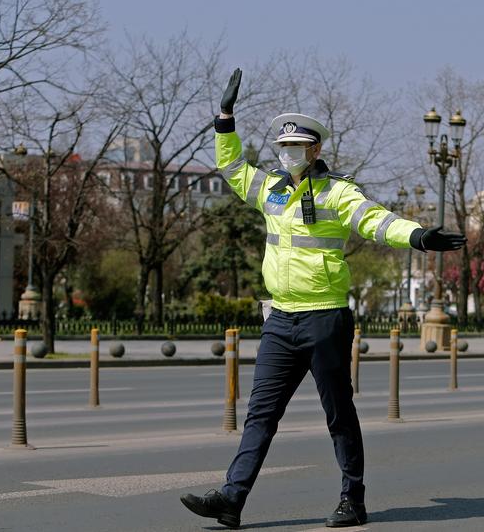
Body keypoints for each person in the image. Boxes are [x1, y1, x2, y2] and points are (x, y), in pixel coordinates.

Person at [180, 68, 467, 528]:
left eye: (296, 147)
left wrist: (416, 236)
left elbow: (375, 219)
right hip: (280, 320)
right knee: (260, 415)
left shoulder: (337, 192)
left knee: (338, 413)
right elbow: (232, 168)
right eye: (282, 148)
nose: (287, 153)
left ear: (315, 150)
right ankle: (232, 499)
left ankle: (352, 499)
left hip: (325, 319)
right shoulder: (270, 190)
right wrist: (225, 119)